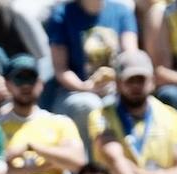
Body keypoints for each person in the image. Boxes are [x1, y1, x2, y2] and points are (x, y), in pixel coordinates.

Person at [0, 54, 86, 174]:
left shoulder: (60, 122)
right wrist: (49, 163)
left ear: (40, 83)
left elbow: (78, 162)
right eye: (19, 79)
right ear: (7, 84)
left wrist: (33, 147)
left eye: (30, 78)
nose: (25, 85)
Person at [46, 0, 138, 144]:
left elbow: (131, 58)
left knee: (118, 105)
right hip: (74, 91)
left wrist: (119, 83)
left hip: (116, 89)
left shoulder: (122, 12)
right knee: (88, 105)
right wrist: (86, 87)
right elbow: (61, 70)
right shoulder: (62, 14)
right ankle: (88, 165)